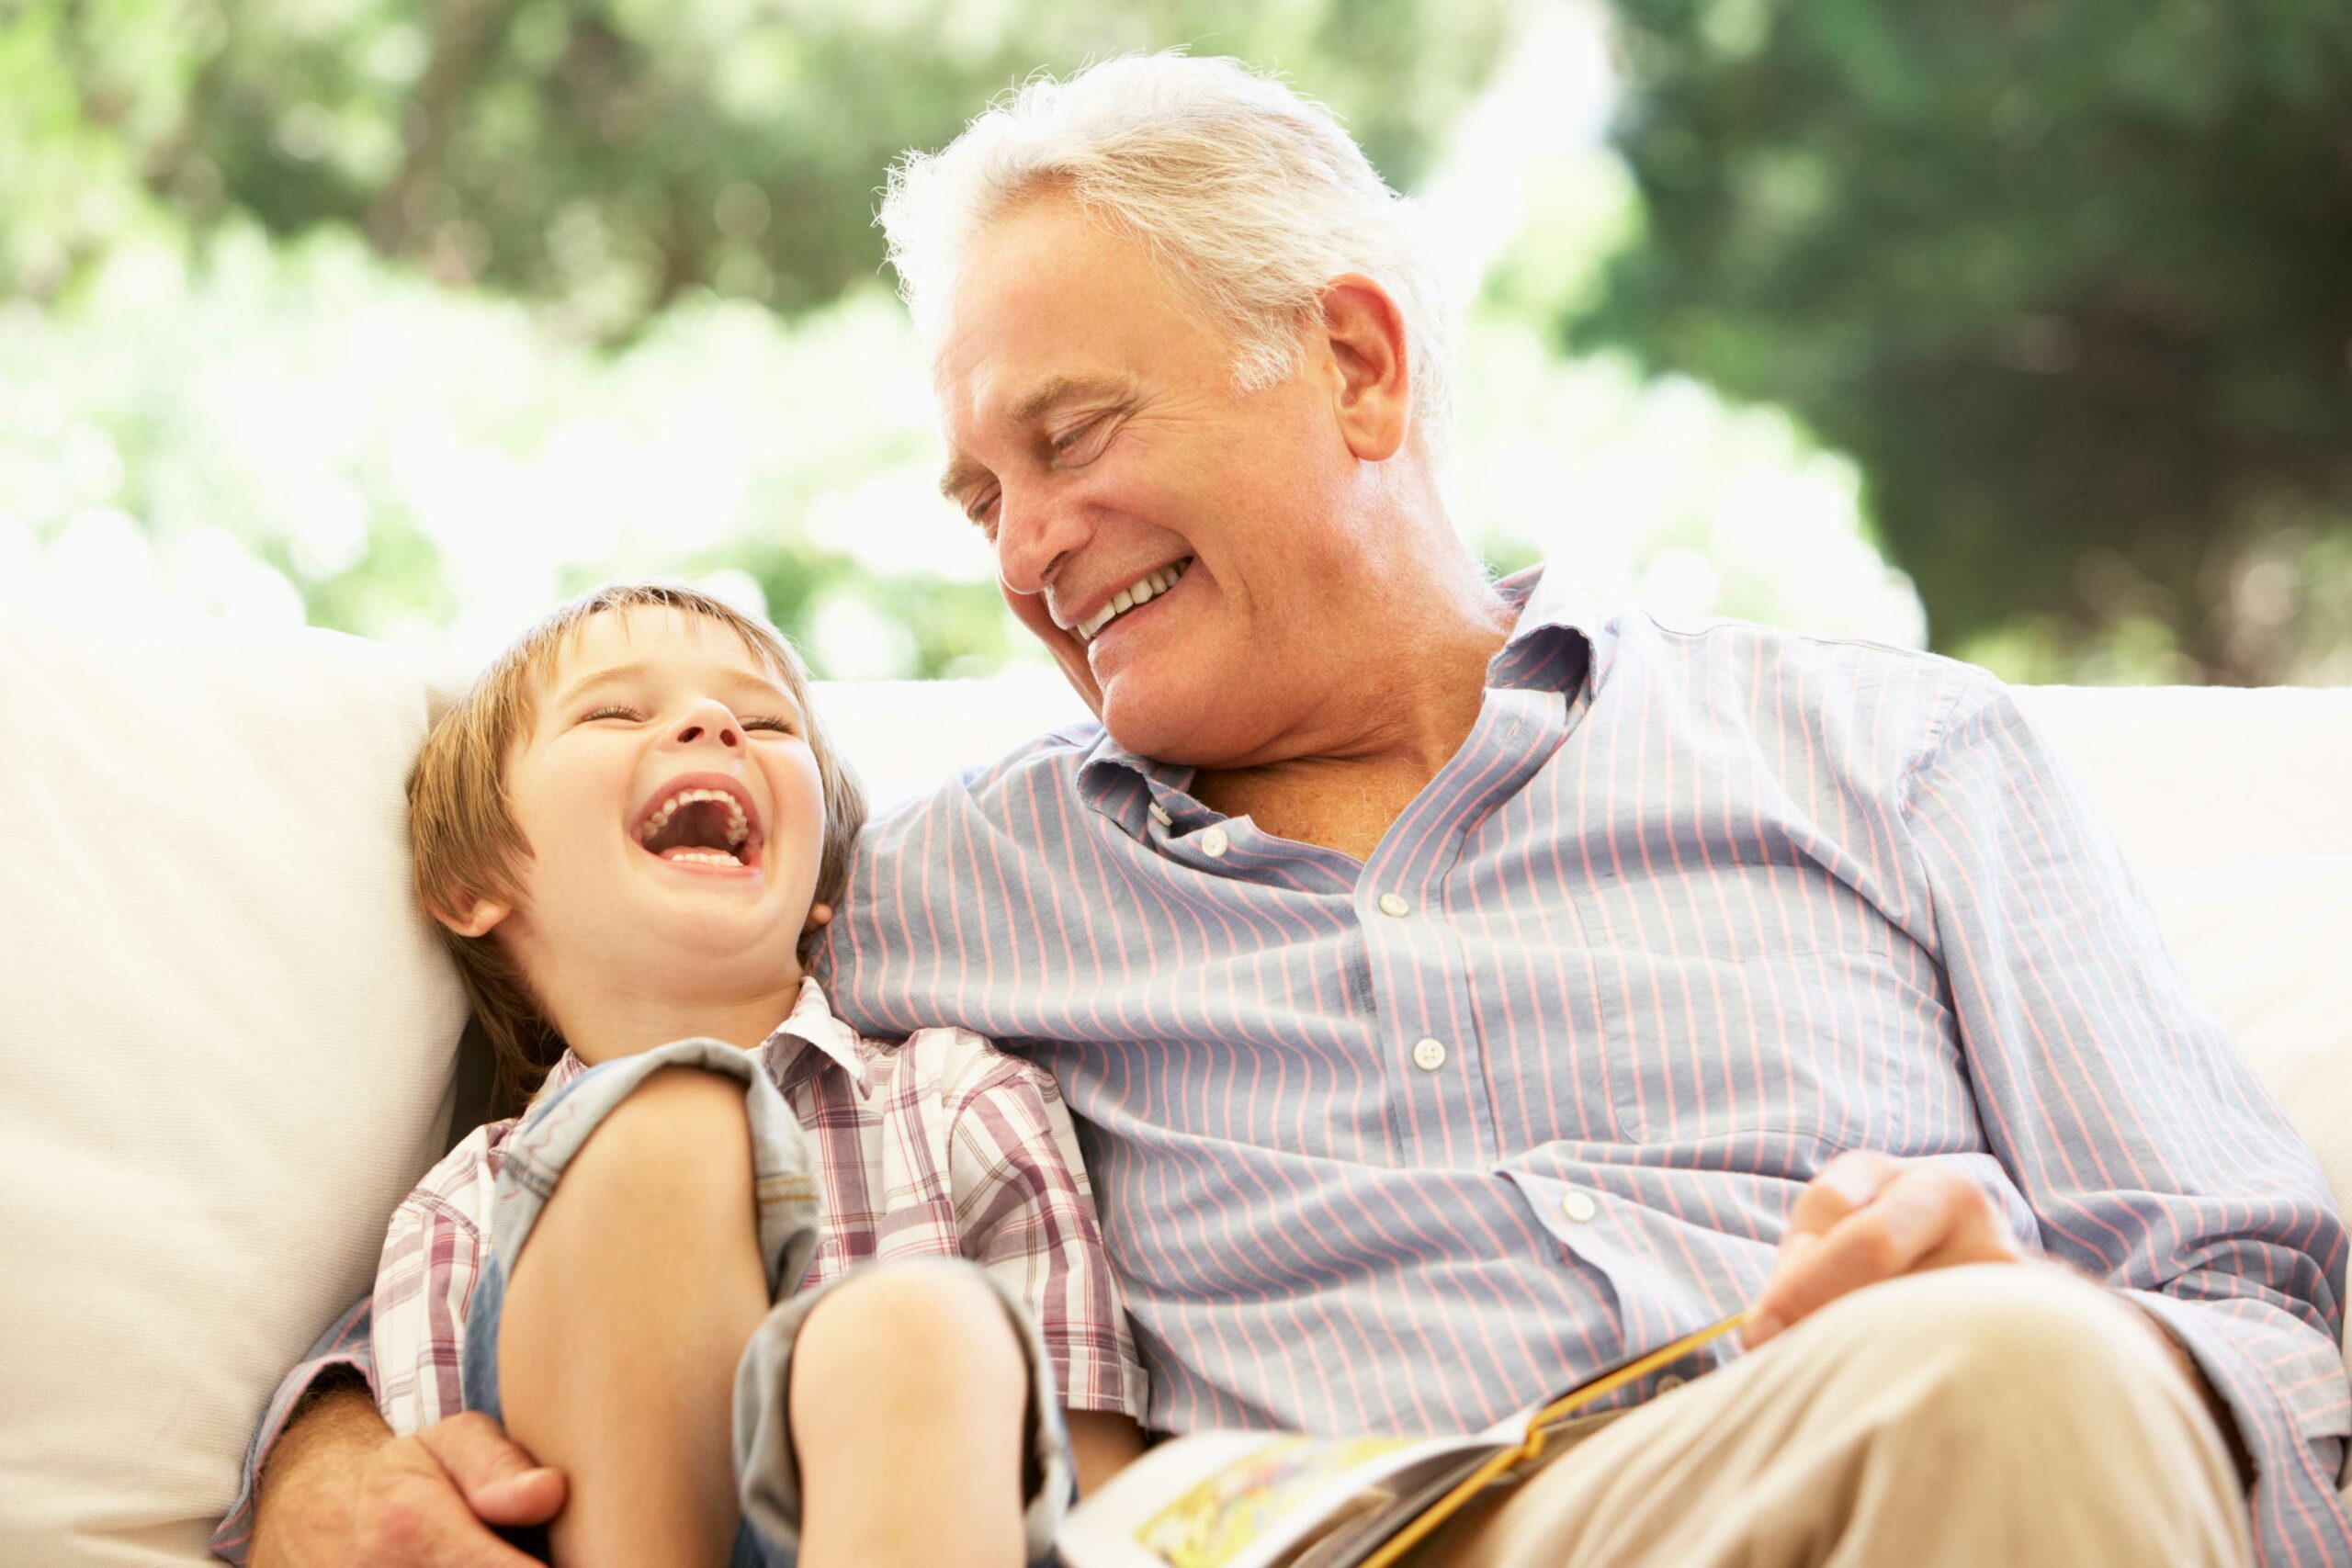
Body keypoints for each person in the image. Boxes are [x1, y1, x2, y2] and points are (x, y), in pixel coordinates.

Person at [229, 56, 2351, 1568]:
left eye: (1070, 438)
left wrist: (2072, 1332)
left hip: (1833, 1470)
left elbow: (2274, 1311)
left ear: (1353, 364)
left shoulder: (1889, 754)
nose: (1027, 549)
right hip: (1318, 1526)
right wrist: (322, 1440)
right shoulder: (933, 885)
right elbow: (591, 1131)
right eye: (980, 496)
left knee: (2012, 1374)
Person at [281, 581, 1145, 1568]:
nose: (712, 723)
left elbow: (1096, 1491)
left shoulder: (962, 1101)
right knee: (668, 1124)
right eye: (615, 710)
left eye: (765, 720)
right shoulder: (461, 1211)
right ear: (471, 881)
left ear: (824, 884)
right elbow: (443, 1525)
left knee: (917, 1325)